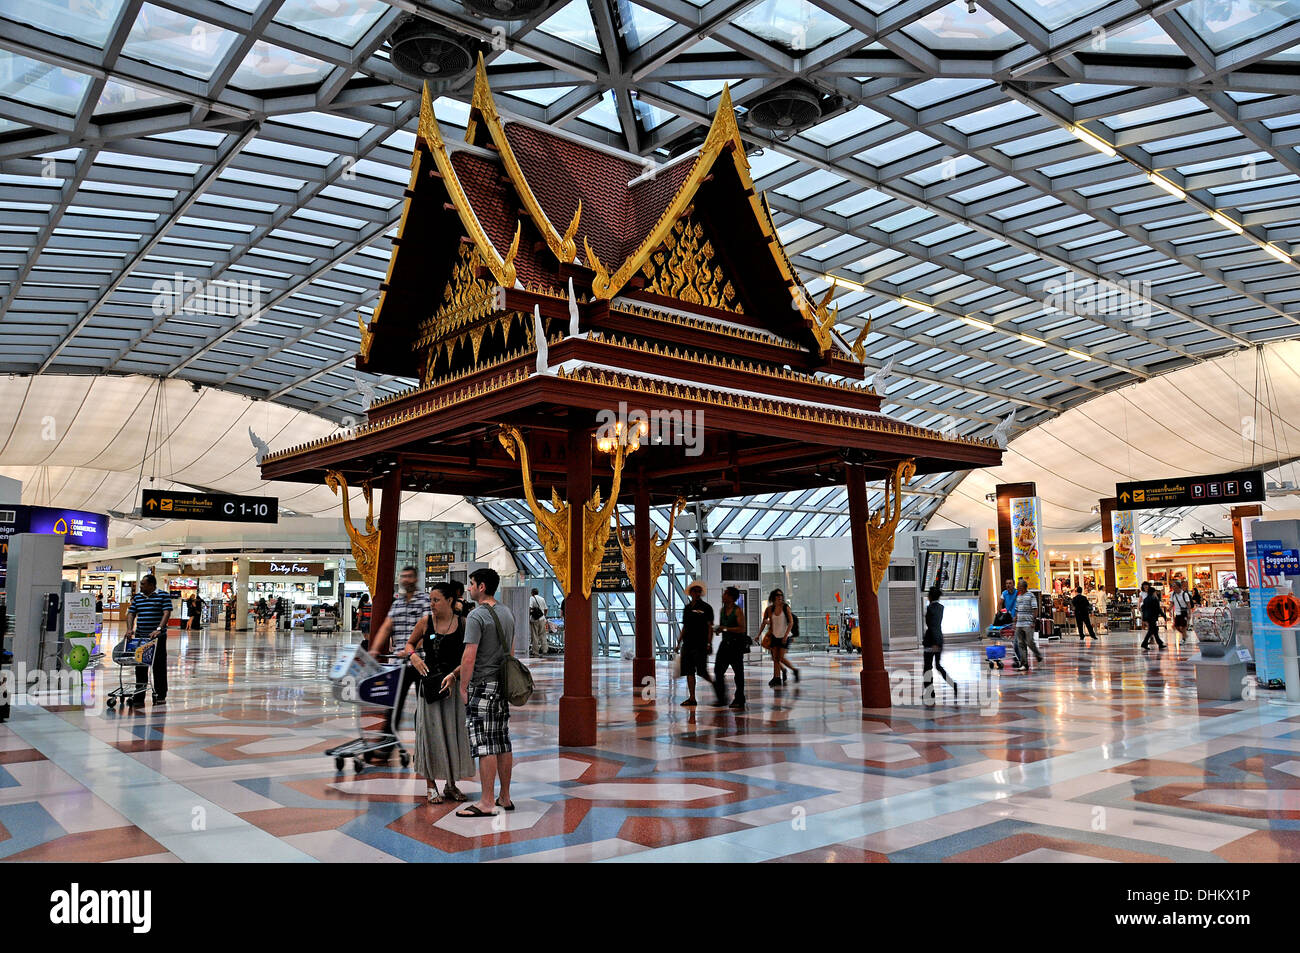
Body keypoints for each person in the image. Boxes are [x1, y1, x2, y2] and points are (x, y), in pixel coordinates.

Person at [451, 567, 516, 818]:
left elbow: (469, 657)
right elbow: (510, 651)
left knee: (485, 744)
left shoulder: (477, 616)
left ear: (482, 587)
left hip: (483, 685)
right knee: (502, 741)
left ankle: (487, 801)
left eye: (471, 584)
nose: (468, 588)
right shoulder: (507, 613)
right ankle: (505, 797)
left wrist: (463, 686)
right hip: (502, 685)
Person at [407, 583, 473, 804]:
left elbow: (468, 657)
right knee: (430, 734)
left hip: (453, 687)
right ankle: (430, 784)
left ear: (449, 601)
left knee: (452, 734)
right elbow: (409, 644)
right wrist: (414, 657)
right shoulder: (426, 623)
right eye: (430, 600)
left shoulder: (463, 624)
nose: (432, 604)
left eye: (436, 600)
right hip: (431, 687)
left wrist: (455, 674)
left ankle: (451, 784)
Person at [369, 567, 430, 750]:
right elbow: (386, 627)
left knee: (424, 704)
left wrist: (412, 650)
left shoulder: (424, 600)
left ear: (416, 579)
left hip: (420, 662)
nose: (406, 580)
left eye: (410, 576)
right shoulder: (397, 603)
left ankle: (424, 742)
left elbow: (427, 629)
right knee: (394, 703)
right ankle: (387, 743)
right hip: (400, 664)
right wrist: (373, 650)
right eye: (403, 576)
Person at [127, 574, 172, 705]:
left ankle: (160, 694)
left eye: (143, 584)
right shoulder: (138, 598)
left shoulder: (163, 595)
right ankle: (139, 696)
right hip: (141, 638)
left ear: (152, 585)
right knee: (140, 666)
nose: (140, 586)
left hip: (158, 638)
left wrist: (159, 628)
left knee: (158, 666)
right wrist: (130, 629)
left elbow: (166, 612)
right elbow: (131, 613)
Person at [676, 579, 717, 707]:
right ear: (691, 593)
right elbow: (685, 627)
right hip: (688, 644)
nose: (697, 593)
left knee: (702, 671)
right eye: (695, 591)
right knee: (689, 671)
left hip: (700, 644)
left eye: (699, 591)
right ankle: (692, 697)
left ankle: (717, 687)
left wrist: (709, 643)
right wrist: (679, 642)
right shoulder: (687, 608)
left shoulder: (706, 608)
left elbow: (710, 627)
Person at [714, 586, 749, 709]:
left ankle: (739, 698)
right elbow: (723, 626)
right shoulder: (722, 610)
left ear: (730, 597)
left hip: (735, 645)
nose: (723, 595)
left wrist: (725, 628)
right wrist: (719, 629)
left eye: (725, 594)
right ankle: (721, 697)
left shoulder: (738, 611)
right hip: (725, 644)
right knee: (718, 670)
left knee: (738, 673)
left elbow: (742, 628)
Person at [922, 586, 957, 704]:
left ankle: (929, 692)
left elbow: (931, 626)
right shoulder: (941, 608)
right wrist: (938, 642)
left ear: (930, 596)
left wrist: (934, 643)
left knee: (927, 667)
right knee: (937, 665)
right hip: (939, 639)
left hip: (931, 641)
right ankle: (953, 684)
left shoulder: (930, 608)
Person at [758, 588, 799, 687]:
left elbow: (791, 622)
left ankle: (794, 670)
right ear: (773, 597)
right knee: (775, 658)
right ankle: (776, 677)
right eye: (777, 595)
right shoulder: (769, 609)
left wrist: (786, 636)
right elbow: (764, 622)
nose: (780, 597)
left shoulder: (785, 607)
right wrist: (758, 634)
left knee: (780, 658)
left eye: (781, 595)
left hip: (784, 636)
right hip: (774, 636)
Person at [1012, 578, 1043, 672]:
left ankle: (1038, 655)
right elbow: (1017, 610)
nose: (1017, 588)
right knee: (1021, 643)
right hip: (1019, 623)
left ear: (1024, 587)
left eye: (1019, 586)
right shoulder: (1018, 597)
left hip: (1028, 623)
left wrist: (1034, 621)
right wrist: (1015, 620)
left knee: (1029, 641)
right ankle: (1024, 664)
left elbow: (1035, 609)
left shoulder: (1031, 596)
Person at [1140, 581, 1167, 651]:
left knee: (1154, 630)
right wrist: (1164, 615)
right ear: (1153, 592)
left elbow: (1142, 608)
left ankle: (1160, 643)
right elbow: (1158, 608)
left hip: (1147, 617)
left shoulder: (1145, 599)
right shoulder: (1154, 598)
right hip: (1152, 617)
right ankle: (1144, 643)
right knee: (1151, 630)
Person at [528, 588, 547, 657]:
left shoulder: (532, 598)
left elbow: (530, 607)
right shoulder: (542, 599)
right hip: (542, 619)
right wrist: (544, 615)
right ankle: (544, 650)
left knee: (535, 636)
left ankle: (535, 652)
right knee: (542, 635)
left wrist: (528, 616)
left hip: (534, 620)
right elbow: (546, 609)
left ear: (532, 593)